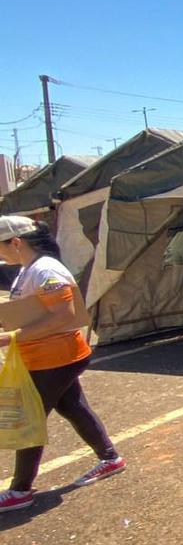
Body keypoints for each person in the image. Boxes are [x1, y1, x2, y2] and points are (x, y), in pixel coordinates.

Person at [0, 216, 125, 514]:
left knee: (31, 419)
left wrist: (10, 337)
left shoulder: (45, 269)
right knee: (72, 406)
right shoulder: (28, 270)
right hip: (47, 356)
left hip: (56, 357)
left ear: (16, 242)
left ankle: (20, 490)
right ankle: (110, 458)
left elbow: (63, 315)